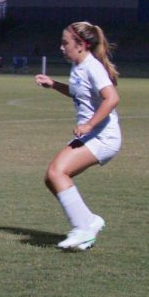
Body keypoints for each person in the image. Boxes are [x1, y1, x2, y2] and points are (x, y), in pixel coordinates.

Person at [34, 21, 120, 251]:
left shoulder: (92, 67)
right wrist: (53, 85)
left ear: (81, 45)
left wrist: (89, 124)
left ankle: (83, 229)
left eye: (65, 43)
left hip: (104, 137)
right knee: (52, 178)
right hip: (94, 135)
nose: (62, 48)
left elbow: (112, 98)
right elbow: (77, 93)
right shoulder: (79, 66)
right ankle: (88, 222)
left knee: (56, 172)